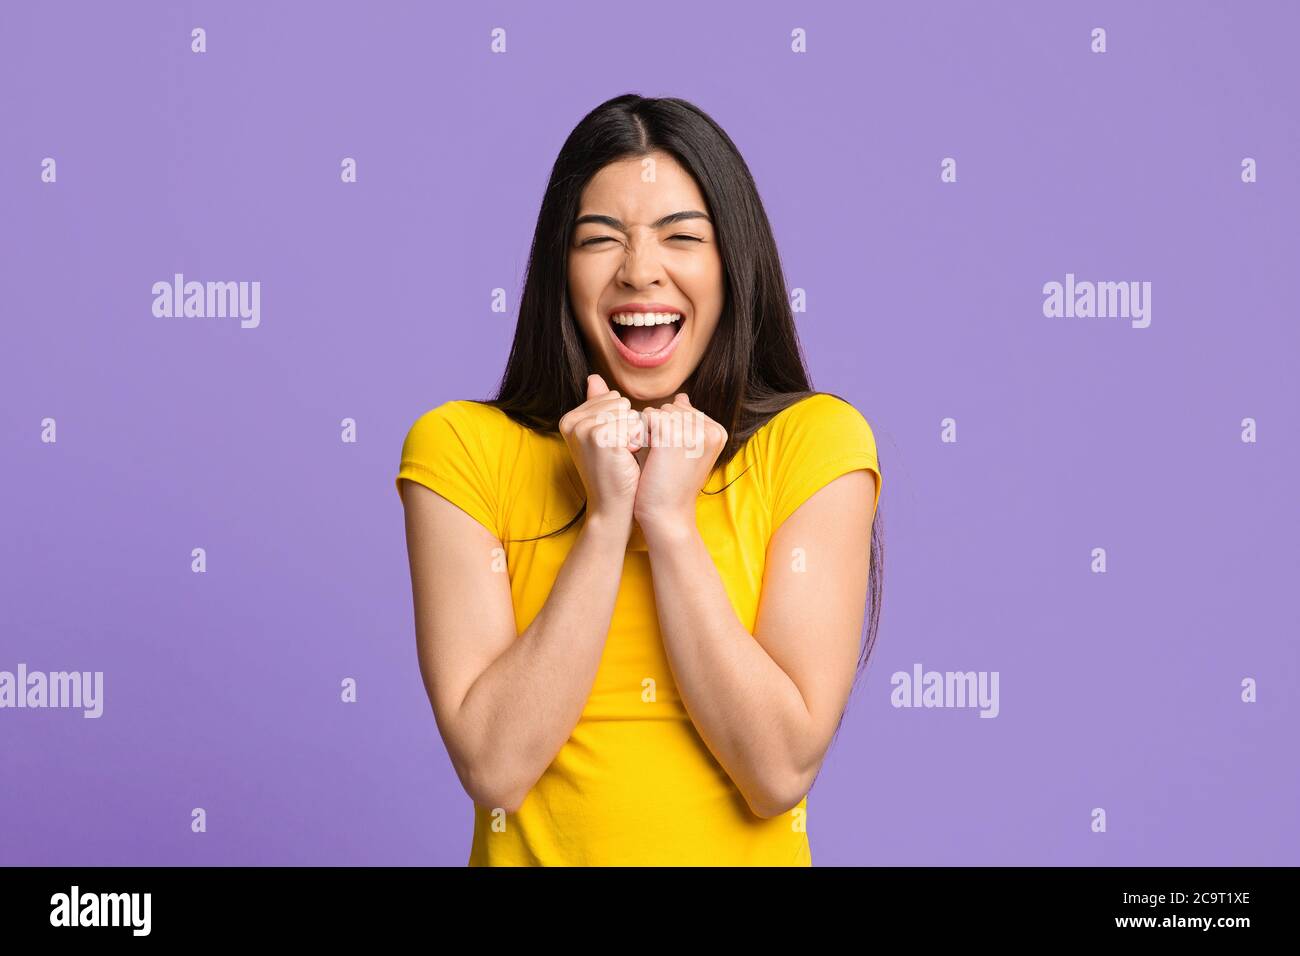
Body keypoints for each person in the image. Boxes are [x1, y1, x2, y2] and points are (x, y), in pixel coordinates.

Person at [396, 94, 883, 866]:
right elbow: (494, 768)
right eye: (600, 240)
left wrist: (670, 522)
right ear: (562, 268)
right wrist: (604, 519)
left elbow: (778, 771)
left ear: (732, 264)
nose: (639, 272)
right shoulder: (460, 447)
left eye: (681, 237)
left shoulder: (815, 443)